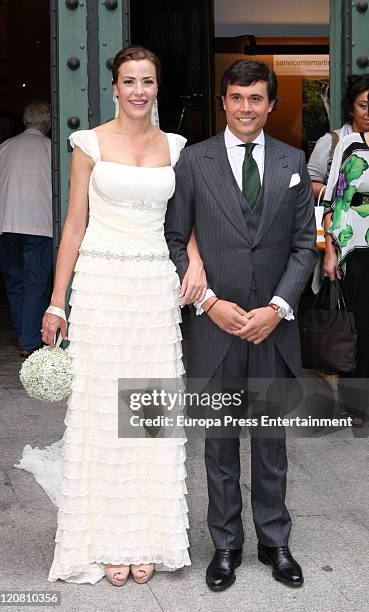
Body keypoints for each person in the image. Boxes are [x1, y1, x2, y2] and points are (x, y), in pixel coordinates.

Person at [15, 46, 207, 586]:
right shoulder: (88, 144)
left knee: (148, 412)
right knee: (103, 411)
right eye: (129, 81)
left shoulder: (175, 146)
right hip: (101, 286)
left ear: (156, 87)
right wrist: (57, 301)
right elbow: (73, 226)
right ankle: (102, 540)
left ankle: (148, 535)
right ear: (115, 87)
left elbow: (183, 220)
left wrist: (193, 260)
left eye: (148, 81)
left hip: (153, 287)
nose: (139, 90)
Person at [165, 59, 317, 591]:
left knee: (271, 445)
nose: (246, 108)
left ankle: (275, 542)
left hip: (273, 328)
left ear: (270, 104)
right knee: (220, 444)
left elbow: (304, 245)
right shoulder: (194, 161)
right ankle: (225, 545)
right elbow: (172, 237)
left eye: (256, 98)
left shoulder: (293, 161)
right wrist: (207, 301)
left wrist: (277, 307)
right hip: (216, 326)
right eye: (237, 97)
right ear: (223, 101)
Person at [0, 101, 52, 357]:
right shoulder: (52, 149)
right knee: (36, 283)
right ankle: (29, 342)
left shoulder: (2, 149)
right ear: (48, 123)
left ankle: (22, 333)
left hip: (5, 224)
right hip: (40, 224)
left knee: (15, 282)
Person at [323, 121, 369, 427]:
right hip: (356, 243)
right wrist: (330, 249)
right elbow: (334, 198)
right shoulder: (350, 144)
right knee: (360, 324)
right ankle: (357, 405)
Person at [308, 74, 369, 200]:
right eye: (363, 106)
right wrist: (337, 192)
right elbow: (309, 184)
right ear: (351, 109)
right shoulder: (331, 141)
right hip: (339, 217)